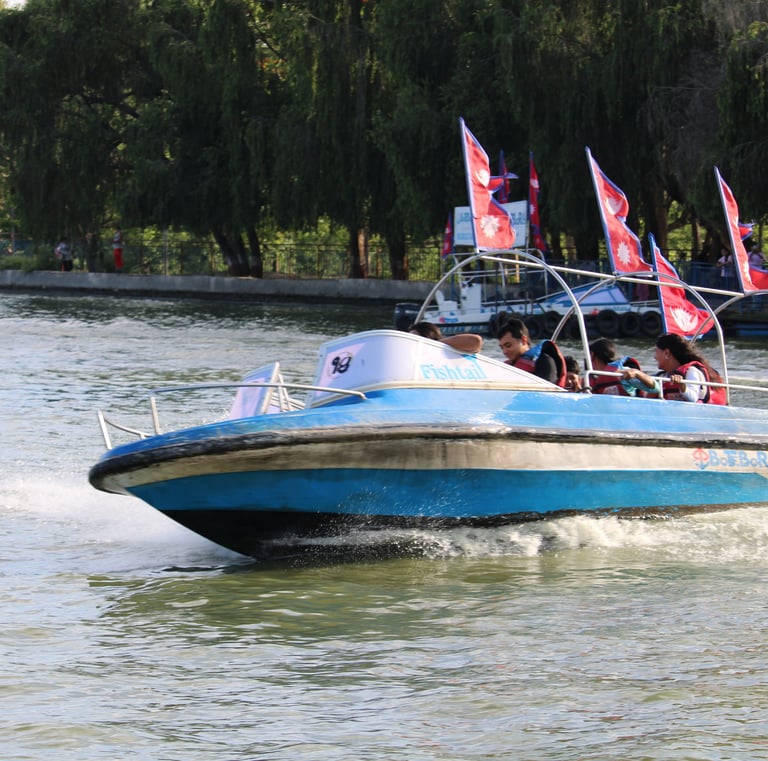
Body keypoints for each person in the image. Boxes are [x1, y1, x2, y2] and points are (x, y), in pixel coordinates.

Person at [621, 333, 727, 405]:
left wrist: (682, 385)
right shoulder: (663, 377)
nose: (654, 357)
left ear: (666, 353)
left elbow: (693, 398)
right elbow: (649, 389)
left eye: (656, 352)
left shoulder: (691, 372)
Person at [496, 317, 566, 386]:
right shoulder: (508, 367)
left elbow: (548, 390)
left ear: (523, 340)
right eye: (502, 348)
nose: (504, 352)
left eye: (508, 345)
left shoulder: (544, 361)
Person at [587, 337, 656, 397]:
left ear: (592, 355)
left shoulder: (623, 373)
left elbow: (655, 388)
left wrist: (637, 373)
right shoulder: (593, 379)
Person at [408, 321, 483, 354]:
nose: (412, 343)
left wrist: (431, 345)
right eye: (410, 339)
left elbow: (475, 341)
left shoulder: (445, 350)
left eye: (416, 339)